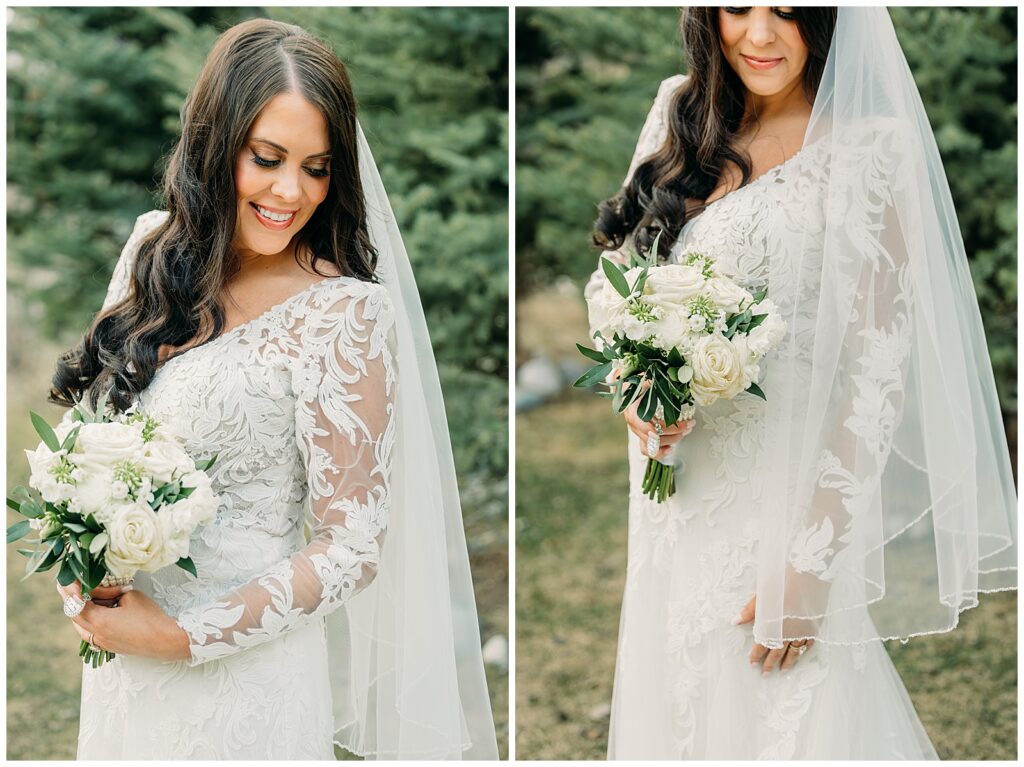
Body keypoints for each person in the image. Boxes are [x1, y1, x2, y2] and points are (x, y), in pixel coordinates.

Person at [48, 18, 497, 760]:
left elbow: (352, 543)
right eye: (268, 158)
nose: (293, 191)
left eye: (317, 167)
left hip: (246, 685)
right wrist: (83, 575)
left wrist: (187, 635)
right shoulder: (151, 252)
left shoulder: (343, 312)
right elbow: (95, 440)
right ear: (215, 144)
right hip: (124, 662)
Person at [587, 7, 1016, 760]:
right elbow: (617, 281)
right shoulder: (679, 108)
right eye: (737, 7)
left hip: (780, 503)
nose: (758, 34)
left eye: (787, 9)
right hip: (675, 491)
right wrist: (636, 387)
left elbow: (875, 375)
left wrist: (811, 566)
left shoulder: (872, 149)